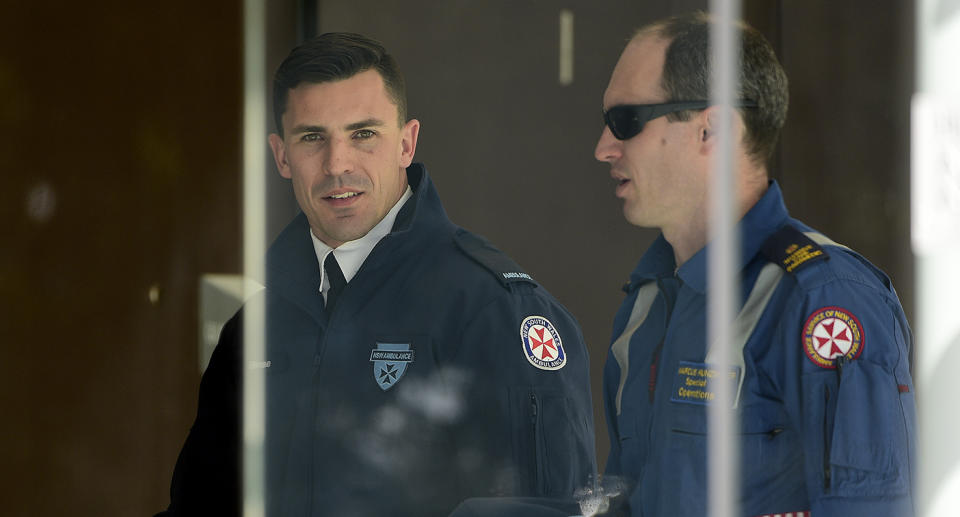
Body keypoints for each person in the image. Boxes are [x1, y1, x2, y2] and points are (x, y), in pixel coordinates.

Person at [157, 32, 595, 516]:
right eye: (312, 138)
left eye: (363, 134)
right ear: (282, 156)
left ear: (406, 143)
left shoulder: (491, 309)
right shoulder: (256, 329)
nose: (337, 164)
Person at [593, 12, 916, 517]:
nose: (603, 148)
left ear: (711, 128)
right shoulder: (645, 305)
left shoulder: (824, 297)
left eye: (626, 121)